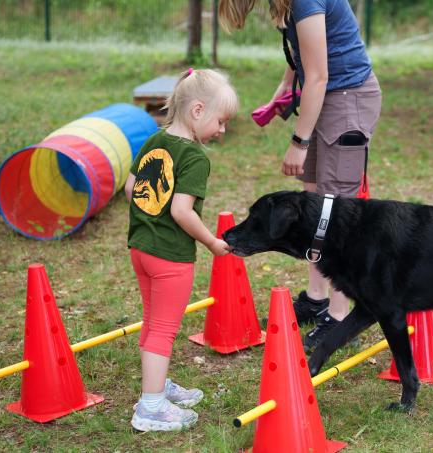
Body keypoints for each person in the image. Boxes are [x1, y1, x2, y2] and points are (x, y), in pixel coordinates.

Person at [218, 0, 382, 352]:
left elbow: (320, 74)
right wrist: (286, 84)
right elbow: (303, 52)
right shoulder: (286, 2)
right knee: (314, 208)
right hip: (323, 95)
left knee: (334, 213)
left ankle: (338, 317)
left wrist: (299, 141)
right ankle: (316, 298)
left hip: (347, 97)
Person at [125, 68, 238, 431]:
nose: (222, 130)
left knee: (152, 321)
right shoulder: (195, 157)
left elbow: (130, 189)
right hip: (170, 257)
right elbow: (180, 211)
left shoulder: (154, 140)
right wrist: (210, 241)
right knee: (162, 328)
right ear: (198, 110)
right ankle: (151, 407)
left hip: (140, 247)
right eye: (220, 122)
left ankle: (155, 385)